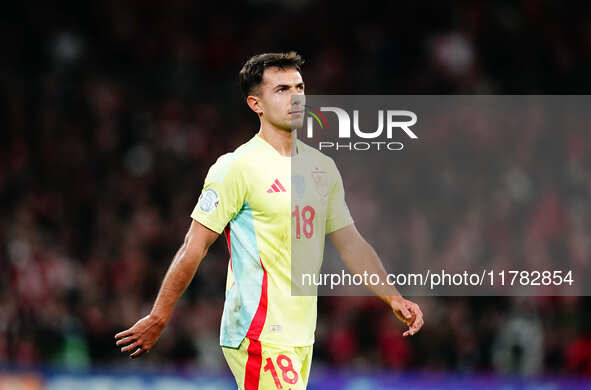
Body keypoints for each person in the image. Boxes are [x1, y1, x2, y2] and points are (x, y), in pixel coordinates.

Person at [115, 52, 424, 389]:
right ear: (255, 104)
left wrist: (392, 296)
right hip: (257, 331)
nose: (296, 96)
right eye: (281, 90)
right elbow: (194, 246)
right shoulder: (236, 167)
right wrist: (160, 316)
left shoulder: (323, 168)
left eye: (300, 87)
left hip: (300, 333)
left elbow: (349, 242)